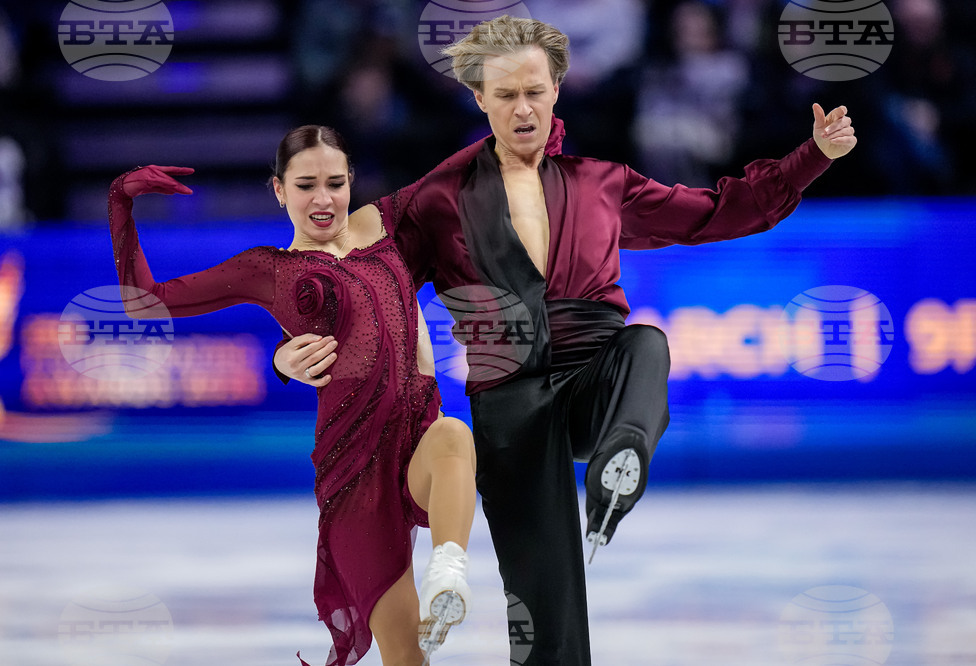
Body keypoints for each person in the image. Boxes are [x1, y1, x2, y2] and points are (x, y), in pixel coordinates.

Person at [275, 16, 857, 665]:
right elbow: (361, 280)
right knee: (547, 628)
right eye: (505, 95)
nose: (522, 108)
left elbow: (718, 211)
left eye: (534, 91)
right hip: (510, 413)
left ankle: (619, 465)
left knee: (645, 345)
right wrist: (293, 346)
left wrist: (813, 158)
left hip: (594, 384)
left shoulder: (603, 183)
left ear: (556, 87)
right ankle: (607, 482)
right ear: (480, 99)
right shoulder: (437, 198)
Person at [106, 125, 478, 666]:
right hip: (354, 473)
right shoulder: (267, 269)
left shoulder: (381, 224)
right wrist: (120, 201)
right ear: (278, 190)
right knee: (405, 655)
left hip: (416, 438)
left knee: (453, 436)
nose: (322, 199)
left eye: (334, 182)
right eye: (305, 185)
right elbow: (146, 301)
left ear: (352, 181)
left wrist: (532, 114)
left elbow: (464, 170)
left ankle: (449, 575)